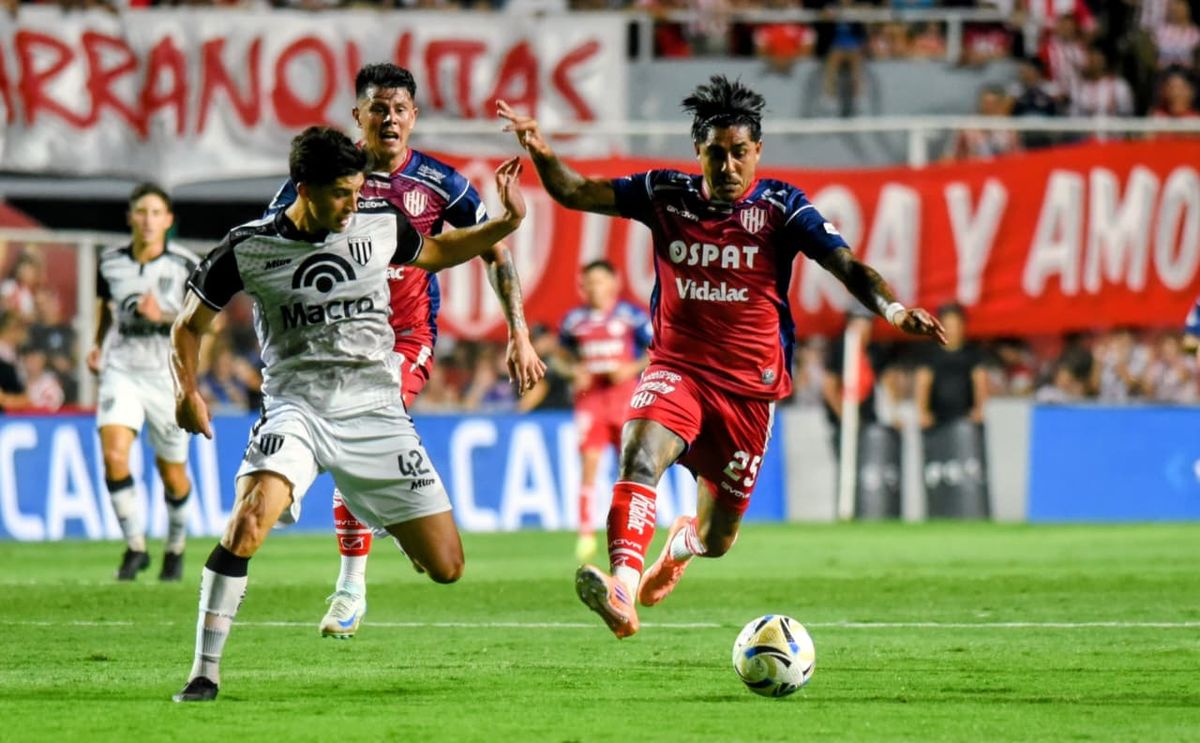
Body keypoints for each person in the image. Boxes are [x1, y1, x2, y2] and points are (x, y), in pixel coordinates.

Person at [498, 75, 946, 639]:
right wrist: (542, 152)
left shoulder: (783, 207)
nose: (728, 166)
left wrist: (895, 309)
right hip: (675, 371)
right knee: (638, 457)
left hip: (749, 393)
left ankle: (680, 546)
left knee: (717, 541)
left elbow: (846, 264)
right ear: (698, 152)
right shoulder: (665, 194)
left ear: (757, 151)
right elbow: (575, 192)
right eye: (716, 153)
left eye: (739, 153)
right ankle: (623, 589)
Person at [169, 126, 527, 702]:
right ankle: (203, 673)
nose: (354, 203)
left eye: (358, 191)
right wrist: (187, 391)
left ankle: (366, 498)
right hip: (297, 409)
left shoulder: (380, 225)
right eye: (341, 193)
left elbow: (437, 252)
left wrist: (505, 225)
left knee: (447, 567)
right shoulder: (248, 247)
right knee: (248, 522)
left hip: (375, 410)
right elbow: (188, 325)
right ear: (303, 188)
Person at [264, 63, 545, 639]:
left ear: (413, 117)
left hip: (404, 340)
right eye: (377, 108)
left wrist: (518, 330)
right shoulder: (323, 178)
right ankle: (374, 504)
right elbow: (274, 243)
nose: (388, 118)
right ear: (357, 117)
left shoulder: (441, 186)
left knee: (358, 421)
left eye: (399, 109)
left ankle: (350, 586)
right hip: (331, 341)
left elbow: (492, 251)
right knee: (352, 436)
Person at [89, 183, 198, 582]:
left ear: (168, 220)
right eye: (141, 212)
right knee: (113, 456)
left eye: (156, 213)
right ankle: (135, 546)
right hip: (122, 371)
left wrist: (162, 319)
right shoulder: (110, 262)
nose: (148, 220)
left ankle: (175, 547)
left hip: (166, 378)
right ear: (131, 218)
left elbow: (206, 326)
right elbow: (105, 306)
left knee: (172, 474)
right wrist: (97, 344)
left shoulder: (186, 265)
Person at [558, 260, 652, 562]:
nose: (593, 287)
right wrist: (573, 371)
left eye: (599, 281)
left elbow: (658, 350)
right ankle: (585, 535)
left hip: (625, 399)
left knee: (629, 469)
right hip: (591, 401)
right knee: (589, 465)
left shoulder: (631, 317)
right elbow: (559, 355)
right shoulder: (573, 320)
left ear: (613, 283)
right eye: (588, 282)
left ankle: (629, 529)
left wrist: (630, 368)